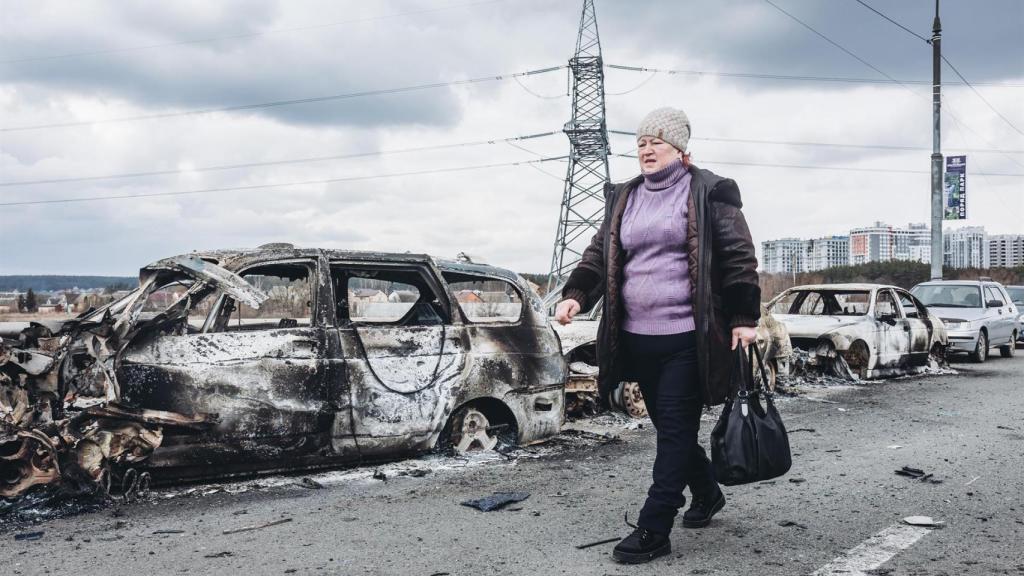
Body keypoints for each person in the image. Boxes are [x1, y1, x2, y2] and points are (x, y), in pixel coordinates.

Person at [554, 107, 761, 564]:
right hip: (635, 336)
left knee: (673, 433)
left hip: (689, 336)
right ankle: (707, 492)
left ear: (680, 148)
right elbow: (599, 254)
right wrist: (576, 295)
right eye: (641, 143)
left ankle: (655, 525)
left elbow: (738, 255)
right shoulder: (625, 196)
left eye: (657, 142)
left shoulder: (710, 191)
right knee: (671, 429)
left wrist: (744, 315)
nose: (647, 150)